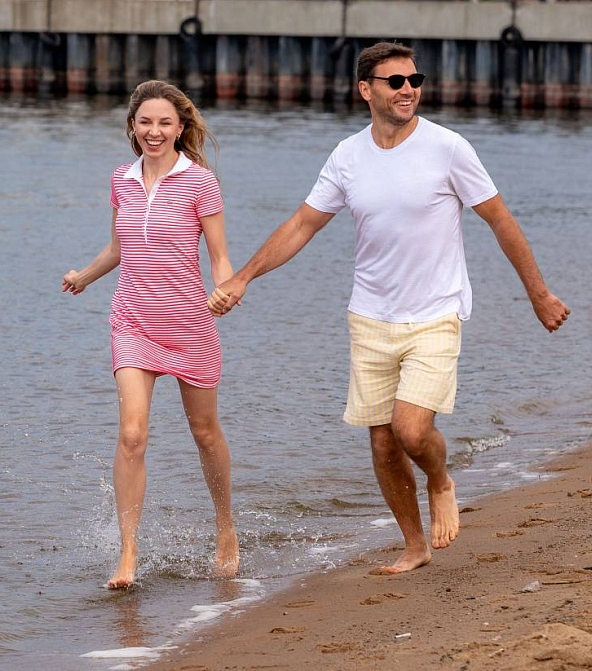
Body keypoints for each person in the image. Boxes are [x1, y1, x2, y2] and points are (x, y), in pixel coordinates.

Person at [208, 42, 570, 575]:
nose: (408, 89)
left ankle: (440, 481)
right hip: (370, 316)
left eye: (414, 80)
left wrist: (538, 293)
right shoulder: (348, 156)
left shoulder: (448, 148)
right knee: (382, 444)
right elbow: (303, 224)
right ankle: (415, 544)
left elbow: (500, 220)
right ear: (366, 90)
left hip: (435, 313)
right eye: (395, 81)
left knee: (411, 430)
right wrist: (243, 277)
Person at [63, 80, 239, 590]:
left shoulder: (200, 182)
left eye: (164, 123)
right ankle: (128, 553)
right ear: (133, 126)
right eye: (145, 122)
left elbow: (219, 257)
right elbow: (119, 248)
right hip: (133, 320)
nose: (154, 131)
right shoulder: (121, 179)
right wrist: (84, 276)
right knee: (132, 434)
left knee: (204, 433)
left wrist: (227, 290)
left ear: (181, 128)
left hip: (188, 323)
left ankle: (225, 526)